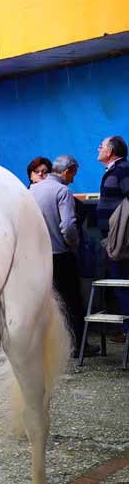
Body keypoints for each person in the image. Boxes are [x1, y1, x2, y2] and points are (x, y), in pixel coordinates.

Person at [30, 155, 98, 356]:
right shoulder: (62, 191)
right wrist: (74, 243)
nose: (73, 179)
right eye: (74, 174)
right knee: (72, 302)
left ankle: (49, 347)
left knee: (45, 303)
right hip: (61, 255)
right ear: (67, 171)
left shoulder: (32, 190)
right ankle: (78, 346)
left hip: (37, 256)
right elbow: (68, 225)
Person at [96, 135, 129, 342]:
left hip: (122, 240)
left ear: (110, 151)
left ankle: (127, 330)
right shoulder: (115, 170)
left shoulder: (122, 169)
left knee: (123, 284)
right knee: (120, 285)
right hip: (114, 238)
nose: (98, 149)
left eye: (102, 146)